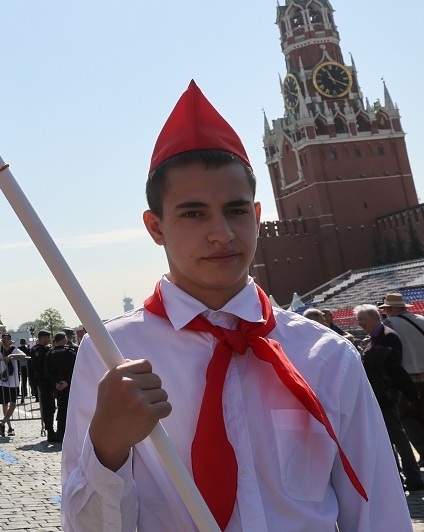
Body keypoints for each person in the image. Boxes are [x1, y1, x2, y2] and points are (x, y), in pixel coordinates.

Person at [61, 81, 408, 531]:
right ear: (155, 226)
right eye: (193, 213)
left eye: (236, 211)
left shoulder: (325, 355)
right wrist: (106, 448)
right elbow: (86, 527)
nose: (222, 233)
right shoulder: (112, 356)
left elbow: (378, 509)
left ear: (258, 215)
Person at [355, 304, 424, 490]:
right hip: (386, 392)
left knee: (397, 436)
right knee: (395, 436)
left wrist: (367, 357)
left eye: (362, 319)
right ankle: (403, 477)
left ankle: (411, 478)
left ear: (374, 318)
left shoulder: (387, 336)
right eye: (358, 319)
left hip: (388, 393)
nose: (359, 323)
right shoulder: (378, 336)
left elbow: (392, 366)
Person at [380, 291, 424, 457]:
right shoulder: (421, 320)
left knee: (407, 417)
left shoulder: (388, 324)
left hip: (406, 379)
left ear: (390, 308)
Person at [0, 333, 28, 437]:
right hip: (2, 381)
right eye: (4, 338)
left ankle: (2, 423)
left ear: (10, 340)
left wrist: (12, 356)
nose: (6, 340)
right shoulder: (0, 350)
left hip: (13, 381)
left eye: (8, 338)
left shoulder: (14, 349)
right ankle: (9, 427)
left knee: (13, 404)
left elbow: (23, 355)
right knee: (5, 405)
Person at [44, 333, 76, 443]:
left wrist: (55, 383)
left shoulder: (50, 353)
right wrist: (67, 381)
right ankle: (71, 432)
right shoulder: (70, 351)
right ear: (63, 340)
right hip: (69, 384)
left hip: (57, 385)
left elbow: (47, 371)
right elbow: (74, 368)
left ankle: (60, 432)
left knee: (61, 408)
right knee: (70, 408)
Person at [30, 330, 55, 438]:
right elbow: (39, 366)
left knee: (51, 406)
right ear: (41, 338)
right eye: (47, 337)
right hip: (43, 381)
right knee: (47, 406)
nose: (48, 340)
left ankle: (50, 428)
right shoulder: (37, 350)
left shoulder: (45, 349)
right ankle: (49, 430)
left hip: (48, 381)